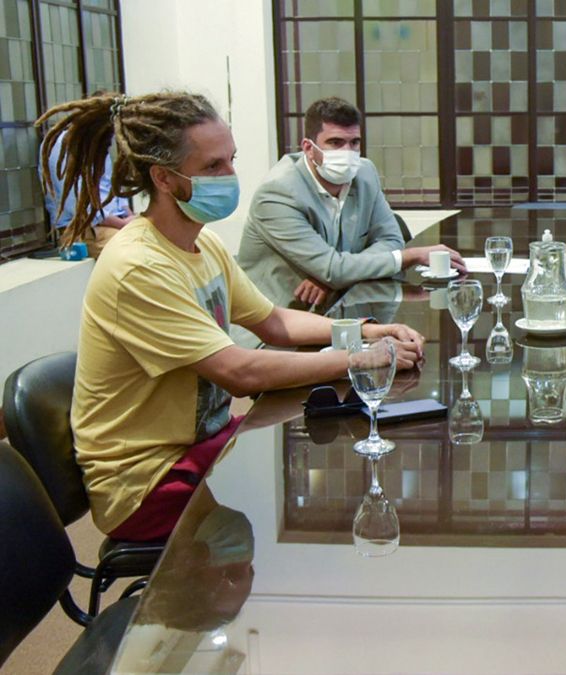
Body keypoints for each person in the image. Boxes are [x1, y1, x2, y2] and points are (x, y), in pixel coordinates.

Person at [37, 91, 425, 542]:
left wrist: (368, 329)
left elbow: (275, 321)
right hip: (146, 479)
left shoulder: (203, 243)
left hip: (204, 439)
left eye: (231, 161)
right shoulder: (138, 266)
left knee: (331, 444)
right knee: (297, 506)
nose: (230, 177)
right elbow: (239, 373)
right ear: (163, 178)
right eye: (212, 166)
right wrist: (358, 359)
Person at [238, 97, 463, 309]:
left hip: (343, 304)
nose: (347, 152)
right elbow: (333, 270)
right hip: (279, 320)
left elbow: (391, 240)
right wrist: (410, 257)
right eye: (335, 143)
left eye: (354, 142)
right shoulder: (277, 194)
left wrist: (337, 274)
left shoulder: (365, 173)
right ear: (308, 148)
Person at [39, 91, 135, 256]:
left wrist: (131, 218)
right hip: (85, 228)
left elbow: (113, 188)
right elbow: (80, 207)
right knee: (138, 253)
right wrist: (124, 225)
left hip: (115, 222)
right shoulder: (63, 145)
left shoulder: (98, 144)